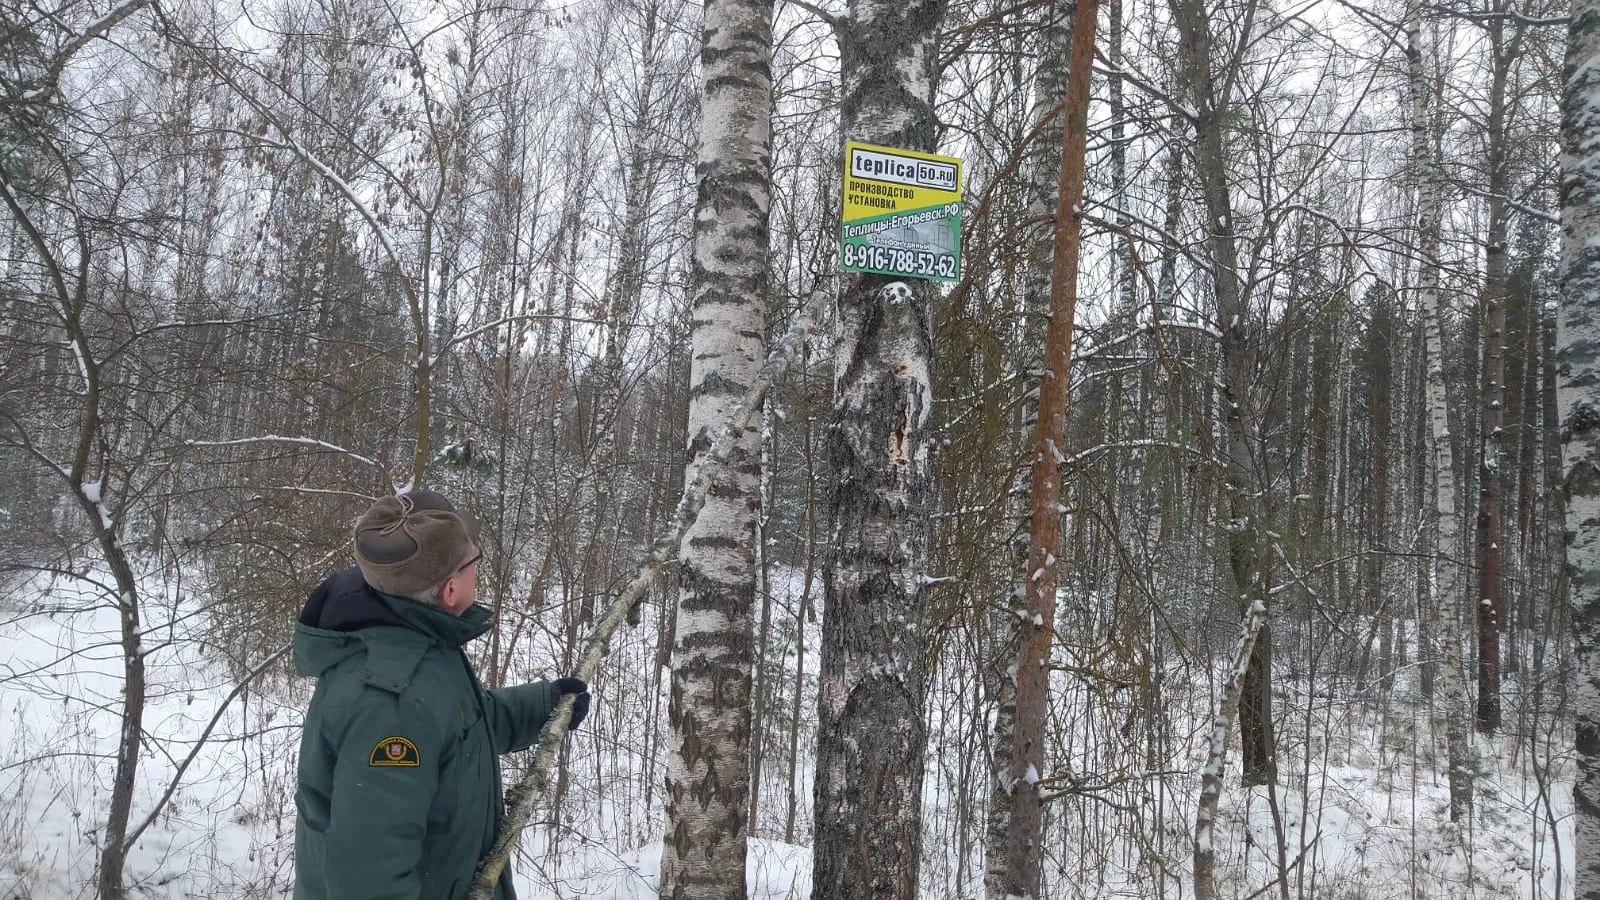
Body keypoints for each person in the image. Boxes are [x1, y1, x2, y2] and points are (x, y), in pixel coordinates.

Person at [292, 490, 591, 899]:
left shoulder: (410, 645)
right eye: (473, 564)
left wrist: (544, 705)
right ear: (449, 591)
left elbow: (457, 729)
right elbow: (370, 880)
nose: (478, 574)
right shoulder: (392, 702)